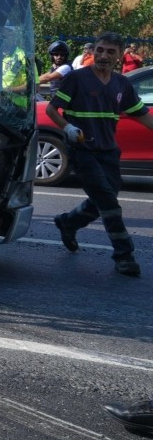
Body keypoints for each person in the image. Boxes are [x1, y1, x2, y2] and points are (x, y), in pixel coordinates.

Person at [48, 31, 153, 276]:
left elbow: (141, 114)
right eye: (100, 50)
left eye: (110, 52)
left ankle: (68, 222)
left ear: (119, 56)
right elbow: (53, 110)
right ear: (92, 51)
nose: (103, 55)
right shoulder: (77, 78)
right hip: (83, 151)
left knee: (101, 200)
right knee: (109, 204)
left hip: (109, 152)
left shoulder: (122, 84)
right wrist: (69, 128)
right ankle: (124, 256)